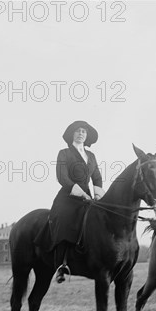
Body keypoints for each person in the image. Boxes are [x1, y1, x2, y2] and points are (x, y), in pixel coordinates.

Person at [48, 120, 105, 283]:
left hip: (88, 197)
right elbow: (62, 177)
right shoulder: (64, 153)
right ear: (72, 134)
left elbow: (97, 177)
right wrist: (81, 194)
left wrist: (98, 196)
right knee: (65, 219)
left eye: (84, 132)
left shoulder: (91, 156)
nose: (81, 134)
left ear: (87, 136)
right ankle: (62, 264)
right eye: (78, 131)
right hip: (68, 196)